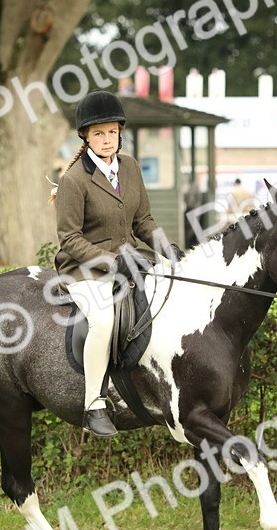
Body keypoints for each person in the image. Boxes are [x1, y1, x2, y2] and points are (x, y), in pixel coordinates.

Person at [53, 90, 184, 436]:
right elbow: (69, 239)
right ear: (85, 136)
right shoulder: (73, 181)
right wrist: (112, 262)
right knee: (103, 319)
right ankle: (94, 404)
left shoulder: (129, 167)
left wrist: (168, 248)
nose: (107, 139)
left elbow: (144, 221)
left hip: (132, 260)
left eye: (112, 132)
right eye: (99, 133)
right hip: (84, 268)